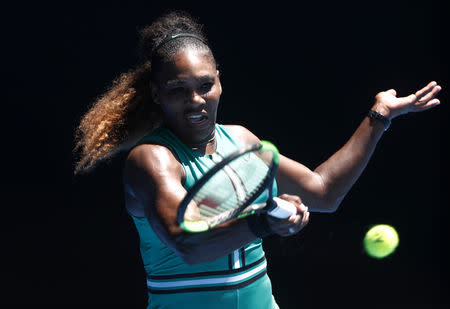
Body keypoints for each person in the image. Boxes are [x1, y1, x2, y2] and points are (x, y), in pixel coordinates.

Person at [73, 10, 441, 309]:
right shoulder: (151, 160)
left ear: (220, 80)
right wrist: (263, 223)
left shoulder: (243, 141)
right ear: (156, 93)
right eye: (178, 90)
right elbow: (186, 243)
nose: (196, 100)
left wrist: (378, 118)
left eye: (205, 85)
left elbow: (324, 192)